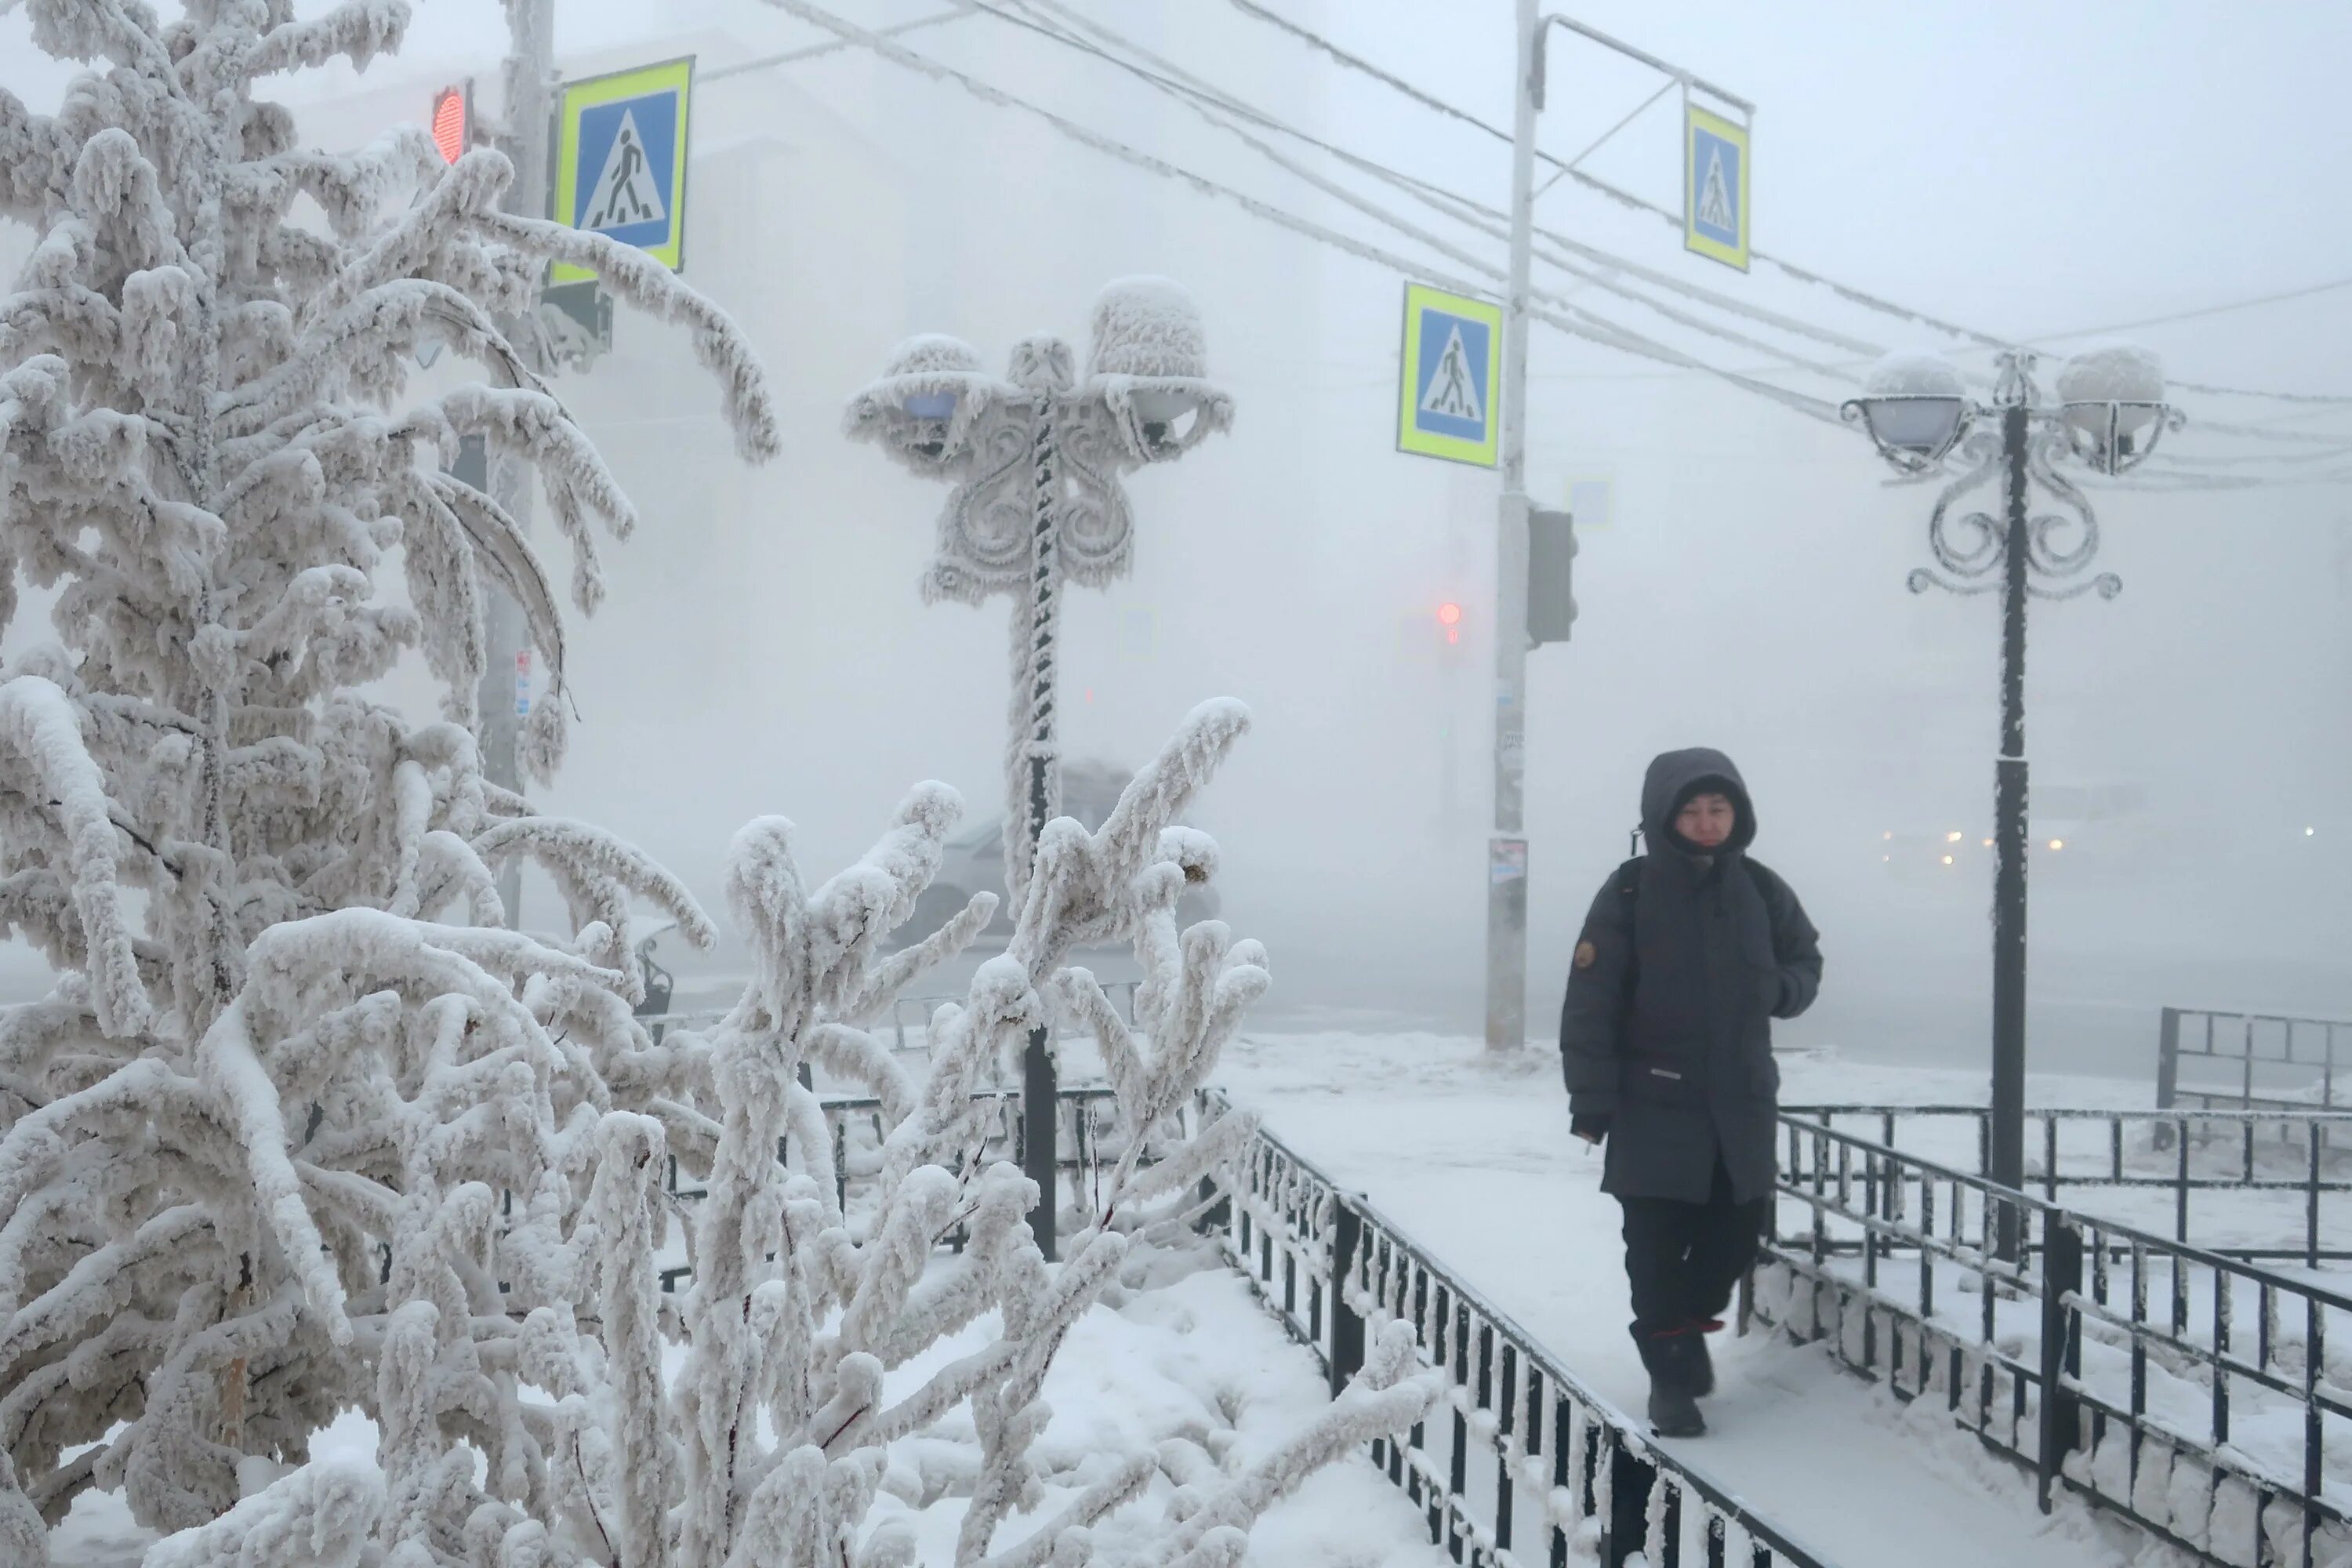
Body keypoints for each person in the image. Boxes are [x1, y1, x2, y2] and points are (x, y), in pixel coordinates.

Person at [1559, 748, 1822, 1438]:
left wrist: (1781, 990)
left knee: (1733, 1238)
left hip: (1740, 1105)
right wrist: (1591, 1100)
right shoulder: (1629, 892)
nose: (1707, 823)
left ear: (1738, 814)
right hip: (1653, 1103)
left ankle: (1681, 1331)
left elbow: (1805, 961)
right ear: (1663, 817)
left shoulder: (1762, 889)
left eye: (1719, 809)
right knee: (1653, 1244)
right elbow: (1591, 1001)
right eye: (1692, 810)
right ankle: (1670, 1377)